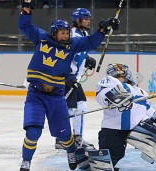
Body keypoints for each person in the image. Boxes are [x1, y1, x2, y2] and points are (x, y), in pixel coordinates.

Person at [18, 0, 120, 170]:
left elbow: (91, 42)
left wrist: (102, 29)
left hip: (56, 97)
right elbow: (25, 25)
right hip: (35, 96)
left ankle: (71, 151)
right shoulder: (41, 38)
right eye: (63, 33)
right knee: (33, 132)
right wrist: (26, 9)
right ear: (53, 33)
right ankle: (26, 161)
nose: (66, 36)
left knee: (65, 136)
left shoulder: (72, 45)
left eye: (67, 33)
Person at [55, 8, 96, 150]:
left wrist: (87, 58)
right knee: (68, 109)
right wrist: (67, 74)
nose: (88, 20)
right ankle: (62, 139)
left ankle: (77, 138)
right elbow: (63, 53)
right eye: (86, 18)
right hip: (66, 77)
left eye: (89, 18)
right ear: (78, 20)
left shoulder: (83, 33)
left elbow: (79, 51)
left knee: (80, 106)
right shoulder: (71, 34)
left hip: (74, 78)